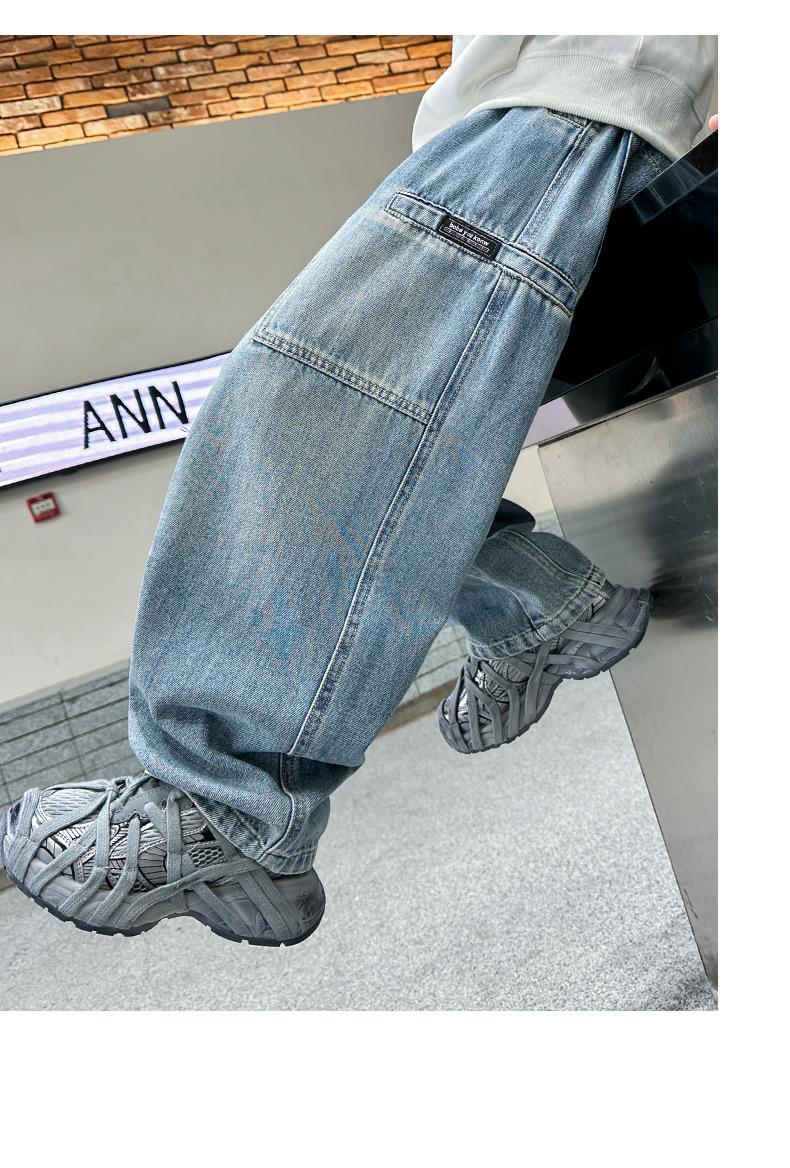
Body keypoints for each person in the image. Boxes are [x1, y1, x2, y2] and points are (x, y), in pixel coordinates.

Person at [1, 35, 717, 946]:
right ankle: (540, 606)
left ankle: (222, 800)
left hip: (570, 100)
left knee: (299, 403)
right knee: (396, 449)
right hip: (530, 123)